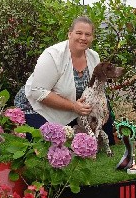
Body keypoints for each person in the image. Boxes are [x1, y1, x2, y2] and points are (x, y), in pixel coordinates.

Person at [25, 16, 115, 144]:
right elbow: (38, 92)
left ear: (92, 37)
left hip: (78, 109)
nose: (83, 38)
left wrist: (102, 111)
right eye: (79, 33)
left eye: (87, 34)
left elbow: (96, 89)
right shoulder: (52, 55)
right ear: (70, 34)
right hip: (40, 108)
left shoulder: (94, 57)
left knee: (105, 121)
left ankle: (108, 149)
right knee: (48, 146)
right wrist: (73, 106)